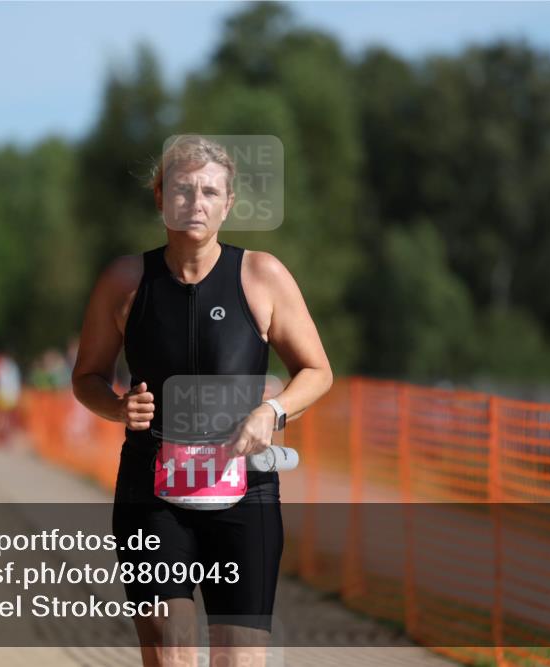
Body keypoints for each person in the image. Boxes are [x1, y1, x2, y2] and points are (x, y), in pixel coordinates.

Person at [71, 135, 333, 666]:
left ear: (229, 203)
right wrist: (118, 408)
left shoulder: (262, 276)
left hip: (245, 492)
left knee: (239, 660)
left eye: (210, 192)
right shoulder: (125, 281)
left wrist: (272, 410)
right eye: (183, 190)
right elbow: (87, 377)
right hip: (151, 491)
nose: (196, 203)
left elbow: (318, 371)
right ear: (160, 195)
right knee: (170, 651)